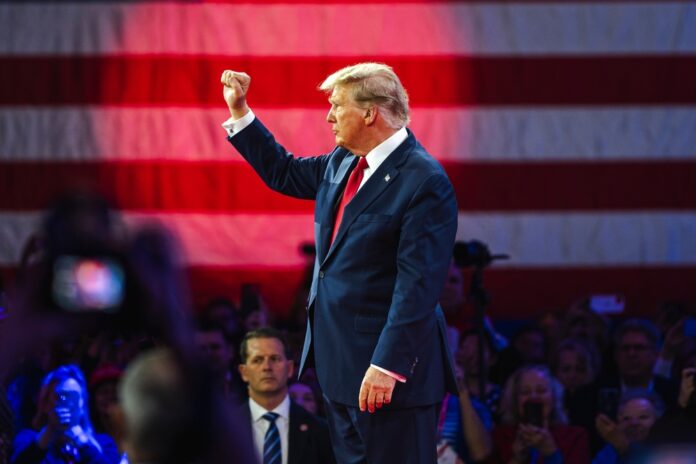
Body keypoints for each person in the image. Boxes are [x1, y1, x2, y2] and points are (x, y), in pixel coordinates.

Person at [220, 62, 459, 463]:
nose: (328, 116)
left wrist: (388, 365)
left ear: (370, 113)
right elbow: (284, 173)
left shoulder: (424, 180)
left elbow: (418, 286)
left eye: (336, 106)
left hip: (387, 377)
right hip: (339, 370)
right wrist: (241, 111)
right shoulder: (344, 161)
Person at [238, 328, 335, 464]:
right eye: (257, 360)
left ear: (289, 368)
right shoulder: (222, 431)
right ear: (244, 372)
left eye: (274, 359)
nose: (267, 367)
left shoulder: (321, 432)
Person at [11, 365, 120, 464]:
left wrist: (80, 440)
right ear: (45, 404)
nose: (69, 404)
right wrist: (49, 431)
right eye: (61, 397)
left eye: (75, 397)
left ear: (83, 405)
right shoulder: (27, 439)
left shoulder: (103, 443)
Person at [490, 365, 590, 464]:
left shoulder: (575, 437)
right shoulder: (499, 437)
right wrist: (518, 459)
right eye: (525, 392)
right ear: (515, 400)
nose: (533, 397)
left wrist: (551, 453)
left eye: (541, 390)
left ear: (554, 397)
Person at [593, 390, 663, 464]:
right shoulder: (611, 449)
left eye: (642, 417)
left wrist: (625, 449)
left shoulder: (667, 450)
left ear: (658, 421)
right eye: (626, 418)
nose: (634, 423)